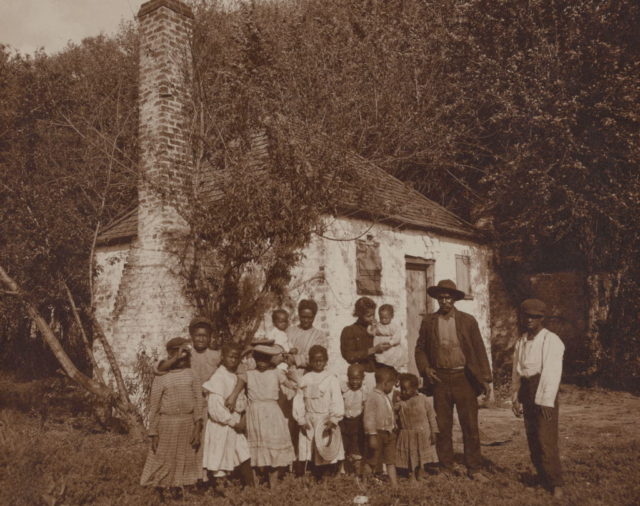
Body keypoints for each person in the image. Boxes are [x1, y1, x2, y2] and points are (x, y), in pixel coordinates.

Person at [414, 279, 492, 481]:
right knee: (443, 426)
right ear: (437, 299)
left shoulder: (468, 321)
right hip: (440, 379)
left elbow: (479, 349)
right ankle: (446, 467)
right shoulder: (429, 321)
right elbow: (420, 349)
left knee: (470, 425)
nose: (444, 301)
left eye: (448, 297)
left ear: (455, 299)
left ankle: (474, 468)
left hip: (464, 379)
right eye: (441, 297)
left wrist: (485, 379)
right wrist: (426, 369)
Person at [511, 298, 565, 498]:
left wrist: (545, 401)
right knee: (532, 437)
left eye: (535, 317)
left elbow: (552, 372)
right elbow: (517, 371)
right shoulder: (521, 341)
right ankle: (541, 477)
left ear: (542, 319)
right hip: (526, 389)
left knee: (545, 438)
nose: (530, 321)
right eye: (527, 317)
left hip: (543, 390)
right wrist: (515, 397)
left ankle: (555, 481)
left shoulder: (551, 340)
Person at [140, 337, 203, 500]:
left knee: (187, 456)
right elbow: (154, 407)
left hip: (187, 422)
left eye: (185, 354)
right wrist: (153, 432)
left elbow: (198, 402)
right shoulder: (161, 376)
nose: (183, 358)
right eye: (178, 354)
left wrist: (197, 427)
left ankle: (182, 489)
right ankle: (161, 490)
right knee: (163, 457)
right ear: (170, 355)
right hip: (167, 423)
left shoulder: (192, 374)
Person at [240, 344, 297, 488]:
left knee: (273, 448)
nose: (262, 362)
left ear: (270, 359)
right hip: (254, 413)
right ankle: (255, 485)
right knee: (254, 449)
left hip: (272, 413)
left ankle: (273, 484)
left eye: (265, 358)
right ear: (254, 358)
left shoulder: (276, 373)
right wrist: (247, 350)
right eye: (258, 358)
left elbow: (293, 385)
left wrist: (291, 368)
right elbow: (237, 367)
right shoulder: (249, 373)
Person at [201, 342, 254, 489]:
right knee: (220, 457)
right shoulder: (219, 377)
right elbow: (215, 408)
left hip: (235, 423)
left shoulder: (234, 375)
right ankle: (220, 492)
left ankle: (252, 487)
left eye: (236, 358)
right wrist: (233, 422)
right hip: (222, 425)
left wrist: (241, 416)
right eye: (230, 357)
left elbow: (241, 399)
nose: (233, 360)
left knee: (243, 452)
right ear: (223, 357)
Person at [293, 345, 345, 476]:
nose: (318, 363)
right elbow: (299, 400)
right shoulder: (305, 379)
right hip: (309, 420)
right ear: (310, 361)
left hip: (325, 421)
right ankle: (311, 479)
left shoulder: (331, 379)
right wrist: (301, 419)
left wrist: (334, 419)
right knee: (309, 451)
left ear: (326, 361)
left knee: (326, 449)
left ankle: (327, 479)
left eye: (321, 360)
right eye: (315, 360)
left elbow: (337, 400)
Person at [341, 297, 392, 392]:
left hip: (380, 374)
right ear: (359, 314)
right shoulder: (350, 331)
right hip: (361, 378)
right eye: (368, 315)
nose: (372, 318)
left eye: (373, 315)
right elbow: (349, 356)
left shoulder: (376, 328)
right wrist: (373, 350)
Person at [395, 373, 438, 483]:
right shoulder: (401, 402)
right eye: (402, 389)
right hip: (408, 434)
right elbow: (394, 415)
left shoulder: (423, 400)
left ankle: (420, 474)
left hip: (422, 433)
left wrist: (434, 432)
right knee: (411, 456)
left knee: (420, 457)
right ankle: (412, 475)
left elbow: (431, 417)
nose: (404, 392)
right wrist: (396, 405)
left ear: (415, 388)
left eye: (407, 389)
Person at [362, 366, 398, 487]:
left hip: (388, 433)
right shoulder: (373, 397)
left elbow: (388, 411)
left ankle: (394, 485)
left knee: (390, 460)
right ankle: (364, 483)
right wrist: (372, 435)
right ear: (385, 383)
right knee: (372, 460)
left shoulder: (384, 395)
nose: (392, 388)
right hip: (377, 434)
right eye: (392, 385)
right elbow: (369, 418)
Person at [340, 363, 369, 474]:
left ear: (363, 378)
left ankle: (358, 471)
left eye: (357, 379)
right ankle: (342, 469)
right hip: (345, 421)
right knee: (343, 444)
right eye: (352, 379)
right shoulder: (345, 389)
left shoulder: (364, 391)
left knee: (356, 446)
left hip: (357, 422)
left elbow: (366, 406)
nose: (354, 382)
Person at [286, 300, 328, 374]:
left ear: (314, 317)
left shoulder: (319, 335)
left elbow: (318, 358)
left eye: (310, 318)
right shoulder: (289, 331)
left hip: (309, 375)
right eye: (303, 317)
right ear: (299, 315)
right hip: (287, 374)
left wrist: (295, 359)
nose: (306, 320)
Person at [371, 304, 406, 372]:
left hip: (390, 347)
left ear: (391, 316)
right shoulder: (379, 325)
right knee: (380, 360)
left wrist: (391, 343)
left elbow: (397, 336)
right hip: (380, 347)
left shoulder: (394, 326)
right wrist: (373, 325)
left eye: (386, 318)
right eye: (381, 318)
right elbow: (373, 332)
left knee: (391, 360)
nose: (383, 320)